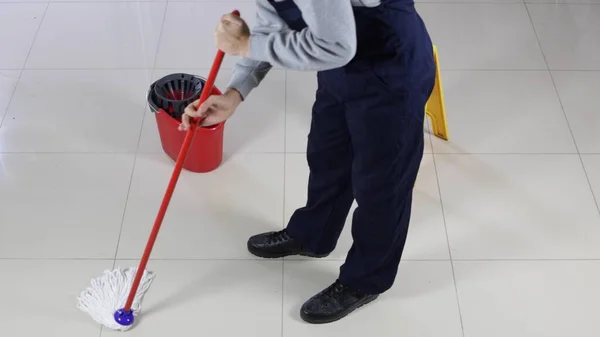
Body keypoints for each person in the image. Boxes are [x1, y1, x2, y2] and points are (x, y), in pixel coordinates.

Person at [180, 0, 436, 324]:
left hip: (391, 73)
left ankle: (365, 280)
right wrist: (234, 93)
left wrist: (246, 44)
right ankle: (314, 235)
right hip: (340, 73)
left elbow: (337, 45)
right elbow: (273, 21)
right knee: (327, 156)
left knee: (381, 187)